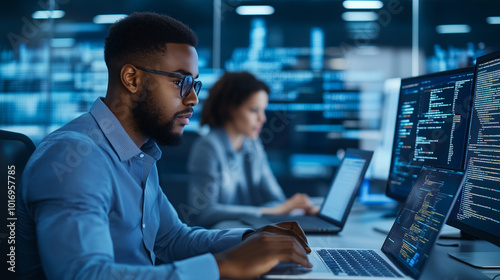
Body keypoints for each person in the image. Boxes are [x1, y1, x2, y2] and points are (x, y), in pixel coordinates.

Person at [17, 12, 313, 280]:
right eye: (181, 82)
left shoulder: (139, 153)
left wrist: (252, 239)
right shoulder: (76, 158)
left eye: (195, 84)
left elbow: (172, 239)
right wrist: (225, 266)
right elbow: (84, 275)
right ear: (132, 79)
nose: (193, 99)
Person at [186, 71, 317, 227]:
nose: (262, 118)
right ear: (231, 108)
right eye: (254, 110)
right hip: (219, 238)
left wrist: (294, 208)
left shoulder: (252, 144)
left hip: (250, 231)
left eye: (263, 110)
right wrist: (270, 211)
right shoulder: (208, 146)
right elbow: (205, 212)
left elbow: (277, 199)